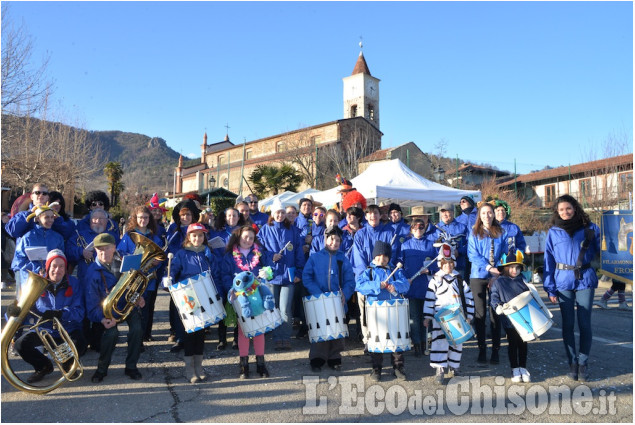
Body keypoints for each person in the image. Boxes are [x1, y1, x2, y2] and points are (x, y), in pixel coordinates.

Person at [543, 194, 600, 382]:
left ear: (575, 208)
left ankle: (583, 363)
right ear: (557, 212)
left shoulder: (590, 228)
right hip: (563, 281)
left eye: (568, 208)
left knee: (584, 323)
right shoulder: (553, 232)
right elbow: (548, 261)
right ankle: (572, 363)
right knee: (567, 324)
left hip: (585, 278)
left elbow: (604, 251)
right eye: (561, 210)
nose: (565, 212)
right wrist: (550, 287)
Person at [8, 249, 86, 383]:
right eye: (54, 266)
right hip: (44, 329)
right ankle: (43, 366)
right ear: (48, 267)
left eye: (61, 266)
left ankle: (67, 364)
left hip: (66, 328)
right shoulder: (37, 284)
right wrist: (11, 311)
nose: (58, 270)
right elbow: (23, 309)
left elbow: (79, 312)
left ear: (66, 268)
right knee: (20, 345)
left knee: (81, 344)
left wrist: (61, 313)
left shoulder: (74, 283)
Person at [165, 223, 222, 383]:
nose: (197, 238)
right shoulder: (181, 254)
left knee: (201, 334)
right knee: (190, 333)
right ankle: (189, 369)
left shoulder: (208, 254)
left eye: (200, 235)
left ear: (204, 237)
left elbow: (216, 274)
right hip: (188, 297)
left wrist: (218, 294)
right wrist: (168, 280)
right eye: (194, 235)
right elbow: (173, 272)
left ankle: (199, 367)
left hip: (205, 295)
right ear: (189, 237)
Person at [86, 233, 144, 383]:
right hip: (106, 311)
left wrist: (138, 297)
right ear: (95, 251)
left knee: (137, 328)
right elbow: (91, 304)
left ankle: (131, 366)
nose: (104, 253)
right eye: (100, 250)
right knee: (111, 333)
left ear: (114, 248)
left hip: (126, 306)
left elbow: (136, 283)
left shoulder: (126, 262)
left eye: (107, 248)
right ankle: (101, 369)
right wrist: (101, 318)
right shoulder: (92, 272)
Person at [221, 225, 273, 378]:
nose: (248, 240)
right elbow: (224, 276)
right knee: (243, 331)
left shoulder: (260, 253)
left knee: (259, 330)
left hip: (257, 296)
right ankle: (243, 364)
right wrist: (231, 290)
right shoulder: (229, 256)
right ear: (238, 237)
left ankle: (260, 363)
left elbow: (270, 270)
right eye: (245, 237)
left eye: (251, 238)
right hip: (239, 297)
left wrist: (267, 272)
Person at [302, 225, 356, 372]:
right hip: (320, 301)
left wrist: (344, 294)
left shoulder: (343, 259)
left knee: (336, 329)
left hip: (338, 301)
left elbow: (350, 281)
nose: (335, 243)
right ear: (326, 240)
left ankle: (334, 356)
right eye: (332, 239)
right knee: (320, 328)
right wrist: (318, 293)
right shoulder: (315, 258)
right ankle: (317, 358)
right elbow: (307, 277)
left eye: (338, 240)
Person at [356, 240, 410, 381]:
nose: (382, 259)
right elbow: (360, 285)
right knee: (376, 341)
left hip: (393, 312)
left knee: (395, 341)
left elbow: (405, 285)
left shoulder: (395, 271)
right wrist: (376, 285)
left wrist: (395, 286)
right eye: (379, 256)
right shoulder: (369, 271)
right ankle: (376, 368)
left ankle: (398, 367)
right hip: (376, 313)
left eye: (385, 256)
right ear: (374, 257)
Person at [256, 198, 305, 351]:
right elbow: (258, 250)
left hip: (288, 275)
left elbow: (298, 252)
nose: (280, 215)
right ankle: (277, 337)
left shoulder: (293, 230)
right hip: (271, 275)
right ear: (272, 213)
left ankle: (285, 336)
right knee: (274, 307)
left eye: (283, 212)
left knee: (285, 308)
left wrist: (299, 271)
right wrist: (270, 256)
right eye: (277, 212)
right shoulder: (264, 229)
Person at [423, 244, 474, 384]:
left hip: (457, 315)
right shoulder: (435, 280)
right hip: (440, 317)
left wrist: (469, 315)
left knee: (457, 343)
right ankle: (440, 369)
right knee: (439, 342)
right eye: (445, 264)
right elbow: (429, 298)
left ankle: (454, 366)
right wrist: (427, 316)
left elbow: (468, 296)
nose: (448, 266)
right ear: (440, 264)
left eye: (451, 263)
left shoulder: (459, 279)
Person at [467, 201, 508, 364]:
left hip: (496, 277)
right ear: (479, 215)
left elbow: (506, 254)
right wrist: (489, 267)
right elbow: (472, 255)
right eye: (483, 213)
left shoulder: (501, 232)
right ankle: (482, 349)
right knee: (480, 314)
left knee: (495, 313)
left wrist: (498, 273)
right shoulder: (474, 233)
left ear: (494, 214)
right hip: (478, 275)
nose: (487, 215)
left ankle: (496, 350)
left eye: (489, 212)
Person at [117, 206, 164, 348]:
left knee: (145, 309)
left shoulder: (155, 237)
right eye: (140, 217)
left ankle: (141, 339)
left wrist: (157, 262)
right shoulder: (129, 235)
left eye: (146, 217)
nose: (143, 220)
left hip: (147, 280)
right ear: (135, 219)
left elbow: (160, 258)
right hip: (131, 278)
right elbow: (120, 252)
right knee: (132, 309)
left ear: (150, 219)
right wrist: (130, 258)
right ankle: (133, 337)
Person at [65, 208, 111, 352]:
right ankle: (83, 342)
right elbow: (68, 251)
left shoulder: (111, 235)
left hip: (105, 281)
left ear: (106, 221)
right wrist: (81, 252)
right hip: (84, 280)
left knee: (102, 308)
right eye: (94, 219)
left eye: (101, 219)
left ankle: (97, 342)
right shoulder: (80, 234)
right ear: (90, 221)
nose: (97, 221)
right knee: (84, 312)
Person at [490, 250, 532, 383]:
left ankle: (523, 368)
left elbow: (531, 295)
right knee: (513, 343)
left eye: (518, 267)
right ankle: (515, 368)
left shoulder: (523, 280)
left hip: (525, 318)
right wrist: (497, 306)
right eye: (512, 267)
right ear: (506, 268)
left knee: (523, 343)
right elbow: (494, 296)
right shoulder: (499, 282)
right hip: (510, 319)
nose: (515, 270)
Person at [399, 218, 438, 357]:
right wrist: (404, 279)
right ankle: (417, 344)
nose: (418, 230)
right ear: (411, 230)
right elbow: (400, 265)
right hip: (412, 286)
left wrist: (430, 270)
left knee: (427, 315)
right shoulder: (405, 246)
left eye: (421, 228)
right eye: (415, 228)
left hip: (427, 286)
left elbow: (438, 263)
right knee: (414, 317)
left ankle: (426, 342)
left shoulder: (431, 245)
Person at [165, 199, 200, 351]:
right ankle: (179, 337)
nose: (185, 217)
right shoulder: (173, 229)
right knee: (178, 308)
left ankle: (193, 337)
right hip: (177, 271)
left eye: (188, 214)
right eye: (182, 215)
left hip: (192, 271)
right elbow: (168, 249)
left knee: (194, 307)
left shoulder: (197, 228)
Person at [11, 203, 65, 297]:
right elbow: (19, 260)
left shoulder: (58, 237)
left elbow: (61, 258)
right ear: (38, 218)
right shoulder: (28, 237)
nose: (50, 220)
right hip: (28, 278)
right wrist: (36, 269)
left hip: (50, 278)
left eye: (52, 217)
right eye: (47, 217)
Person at [212, 207, 246, 349]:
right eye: (229, 215)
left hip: (237, 271)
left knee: (239, 306)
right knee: (223, 306)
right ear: (225, 217)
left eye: (234, 216)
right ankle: (222, 339)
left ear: (239, 217)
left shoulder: (243, 233)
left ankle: (237, 339)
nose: (231, 218)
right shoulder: (218, 232)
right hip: (220, 273)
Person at [435, 203, 468, 277]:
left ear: (453, 212)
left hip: (458, 266)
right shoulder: (436, 229)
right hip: (441, 267)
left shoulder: (462, 227)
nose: (444, 214)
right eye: (443, 212)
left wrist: (459, 252)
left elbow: (470, 245)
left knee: (458, 287)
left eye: (447, 211)